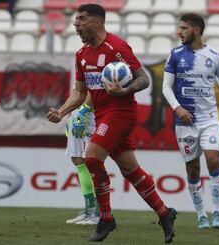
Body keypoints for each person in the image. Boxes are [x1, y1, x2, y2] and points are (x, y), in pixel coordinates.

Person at [46, 3, 177, 243]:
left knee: (92, 159)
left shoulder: (117, 48)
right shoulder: (81, 55)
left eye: (81, 19)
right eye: (75, 20)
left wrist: (124, 89)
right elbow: (79, 92)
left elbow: (144, 79)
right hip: (102, 115)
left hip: (121, 112)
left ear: (96, 22)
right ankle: (165, 213)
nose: (75, 24)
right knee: (130, 170)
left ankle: (105, 218)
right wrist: (62, 111)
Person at [162, 13, 219, 230]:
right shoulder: (175, 55)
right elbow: (165, 87)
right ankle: (201, 215)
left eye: (183, 28)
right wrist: (177, 107)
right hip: (185, 121)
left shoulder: (216, 56)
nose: (178, 32)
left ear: (196, 30)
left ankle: (217, 212)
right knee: (192, 170)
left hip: (209, 119)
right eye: (179, 28)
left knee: (213, 161)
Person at [65, 93, 99, 225]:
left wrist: (84, 110)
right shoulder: (79, 71)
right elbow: (77, 91)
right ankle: (89, 210)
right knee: (77, 160)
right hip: (76, 114)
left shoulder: (93, 71)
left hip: (89, 115)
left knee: (93, 162)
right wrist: (68, 115)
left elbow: (92, 88)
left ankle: (98, 212)